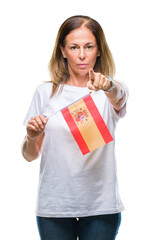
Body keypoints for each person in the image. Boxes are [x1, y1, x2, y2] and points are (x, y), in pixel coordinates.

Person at [22, 15, 128, 240]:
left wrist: (107, 85)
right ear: (62, 50)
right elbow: (29, 155)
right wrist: (32, 136)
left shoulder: (109, 90)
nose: (81, 55)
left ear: (99, 50)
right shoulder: (46, 93)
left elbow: (119, 96)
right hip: (55, 206)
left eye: (89, 46)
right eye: (74, 47)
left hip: (101, 207)